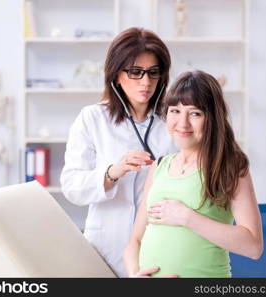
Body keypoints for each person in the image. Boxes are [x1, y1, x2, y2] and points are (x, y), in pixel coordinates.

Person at [60, 27, 178, 277]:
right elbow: (71, 186)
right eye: (135, 72)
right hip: (105, 248)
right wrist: (112, 172)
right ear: (116, 75)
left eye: (153, 73)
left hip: (160, 244)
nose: (145, 82)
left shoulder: (174, 121)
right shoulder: (92, 119)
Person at [124, 70, 263, 278]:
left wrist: (186, 217)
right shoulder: (160, 166)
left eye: (195, 113)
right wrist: (135, 274)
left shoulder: (229, 167)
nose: (183, 123)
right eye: (175, 111)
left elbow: (253, 246)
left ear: (212, 118)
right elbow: (135, 240)